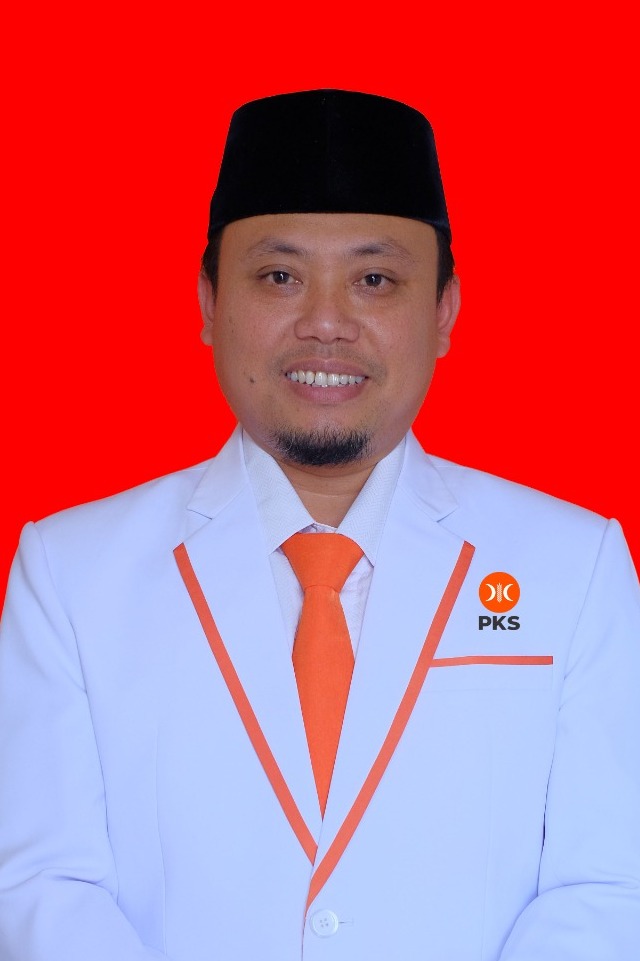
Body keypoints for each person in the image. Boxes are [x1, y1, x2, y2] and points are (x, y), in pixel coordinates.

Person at [1, 89, 639, 961]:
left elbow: (609, 882)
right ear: (208, 301)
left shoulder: (576, 568)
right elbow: (44, 885)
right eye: (280, 276)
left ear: (444, 311)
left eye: (375, 280)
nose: (326, 324)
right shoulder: (70, 575)